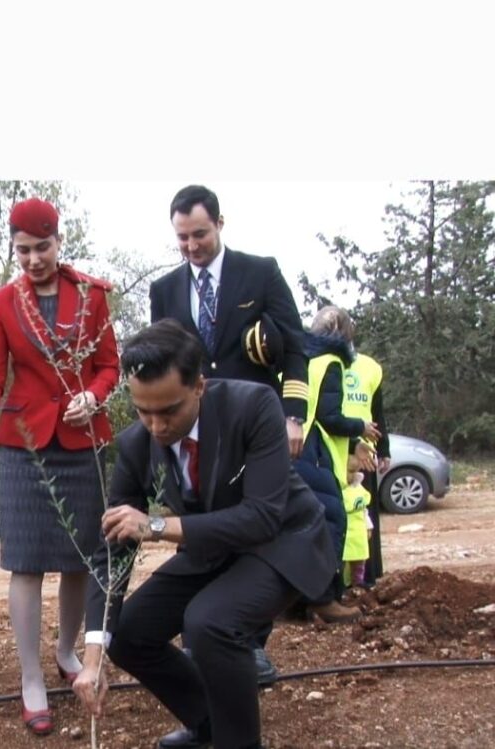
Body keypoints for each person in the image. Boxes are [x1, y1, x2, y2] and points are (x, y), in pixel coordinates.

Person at [72, 320, 334, 749]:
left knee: (210, 622)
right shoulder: (136, 445)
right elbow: (112, 549)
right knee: (130, 633)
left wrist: (156, 526)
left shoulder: (252, 406)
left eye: (168, 411)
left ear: (199, 386)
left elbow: (263, 517)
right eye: (143, 411)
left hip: (284, 542)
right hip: (214, 549)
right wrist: (93, 656)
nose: (156, 426)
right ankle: (210, 724)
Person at [0, 198, 120, 736]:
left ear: (58, 241)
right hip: (24, 446)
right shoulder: (2, 303)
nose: (33, 259)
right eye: (23, 250)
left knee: (79, 559)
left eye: (42, 248)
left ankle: (67, 651)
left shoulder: (92, 296)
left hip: (82, 441)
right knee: (26, 563)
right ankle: (31, 677)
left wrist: (94, 397)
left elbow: (109, 365)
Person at [148, 184, 310, 682]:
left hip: (254, 426)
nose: (191, 246)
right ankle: (202, 635)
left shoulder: (260, 273)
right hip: (196, 430)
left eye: (199, 234)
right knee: (201, 530)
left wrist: (293, 415)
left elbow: (296, 346)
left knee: (256, 529)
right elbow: (161, 360)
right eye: (182, 238)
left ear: (220, 223)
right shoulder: (165, 289)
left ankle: (249, 641)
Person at [297, 306, 382, 622]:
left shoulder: (297, 357)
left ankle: (291, 599)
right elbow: (329, 416)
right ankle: (323, 599)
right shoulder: (330, 362)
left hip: (283, 449)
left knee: (294, 525)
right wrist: (361, 427)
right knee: (330, 518)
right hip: (310, 451)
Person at [340, 333, 390, 586]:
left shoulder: (370, 367)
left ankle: (367, 578)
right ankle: (339, 581)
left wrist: (384, 449)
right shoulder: (319, 363)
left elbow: (377, 411)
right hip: (333, 450)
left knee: (363, 515)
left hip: (365, 453)